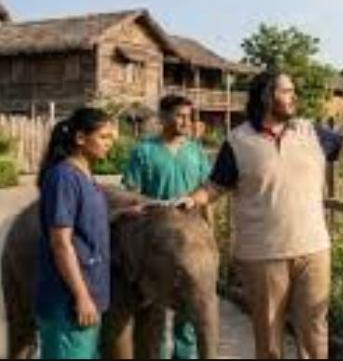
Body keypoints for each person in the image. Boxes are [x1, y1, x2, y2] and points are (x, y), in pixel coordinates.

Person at [179, 70, 343, 359]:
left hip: (313, 250)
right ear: (266, 96)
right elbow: (215, 186)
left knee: (314, 334)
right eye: (286, 91)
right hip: (262, 255)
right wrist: (192, 200)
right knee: (269, 340)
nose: (294, 97)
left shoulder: (310, 133)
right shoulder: (238, 141)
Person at [35, 107, 140, 359]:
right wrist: (81, 296)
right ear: (80, 138)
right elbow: (61, 242)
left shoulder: (85, 176)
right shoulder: (63, 177)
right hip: (67, 302)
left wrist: (122, 214)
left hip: (87, 298)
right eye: (103, 137)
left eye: (111, 138)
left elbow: (84, 223)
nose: (109, 144)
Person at [122, 95, 211, 359]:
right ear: (163, 117)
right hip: (156, 242)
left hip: (192, 242)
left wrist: (210, 233)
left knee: (190, 309)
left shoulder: (196, 152)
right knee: (155, 308)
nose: (186, 121)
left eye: (189, 116)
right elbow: (131, 194)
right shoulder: (144, 151)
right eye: (179, 115)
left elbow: (206, 194)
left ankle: (185, 355)